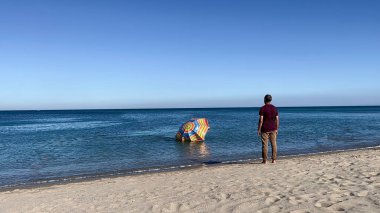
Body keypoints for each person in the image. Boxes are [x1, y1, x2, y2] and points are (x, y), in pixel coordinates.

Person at [257, 94, 279, 164]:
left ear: (264, 100)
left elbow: (261, 120)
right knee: (274, 144)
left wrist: (259, 129)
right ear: (270, 100)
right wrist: (277, 128)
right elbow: (277, 119)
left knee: (265, 145)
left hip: (264, 129)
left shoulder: (262, 108)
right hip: (273, 128)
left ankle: (265, 160)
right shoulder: (274, 108)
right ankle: (274, 159)